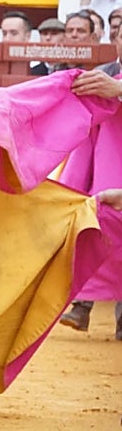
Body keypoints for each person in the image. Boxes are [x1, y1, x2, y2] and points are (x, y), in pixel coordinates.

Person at [58, 30, 122, 337]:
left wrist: (117, 88)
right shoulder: (105, 76)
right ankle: (82, 306)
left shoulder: (110, 80)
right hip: (110, 164)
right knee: (99, 223)